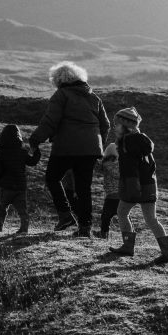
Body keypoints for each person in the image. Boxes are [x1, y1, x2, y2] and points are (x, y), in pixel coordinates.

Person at [29, 61, 111, 238]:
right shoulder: (94, 97)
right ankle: (84, 228)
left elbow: (50, 121)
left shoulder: (62, 95)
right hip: (90, 151)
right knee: (84, 189)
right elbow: (106, 124)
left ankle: (65, 215)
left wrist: (35, 139)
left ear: (58, 79)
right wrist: (98, 145)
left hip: (66, 147)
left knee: (52, 178)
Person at [109, 107, 168, 264]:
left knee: (122, 212)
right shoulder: (142, 140)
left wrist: (130, 188)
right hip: (149, 184)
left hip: (134, 185)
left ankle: (127, 246)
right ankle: (167, 254)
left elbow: (129, 168)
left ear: (126, 125)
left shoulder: (126, 142)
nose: (114, 127)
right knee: (151, 219)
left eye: (117, 124)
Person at [0, 124, 41, 233]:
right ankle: (24, 228)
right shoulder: (22, 152)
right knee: (22, 210)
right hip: (20, 187)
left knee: (2, 207)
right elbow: (33, 162)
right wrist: (37, 150)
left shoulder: (1, 153)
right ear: (18, 137)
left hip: (7, 186)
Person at [92, 142, 119, 239]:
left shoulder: (109, 164)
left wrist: (100, 161)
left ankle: (104, 234)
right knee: (123, 216)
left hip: (113, 195)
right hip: (117, 194)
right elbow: (99, 168)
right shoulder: (121, 163)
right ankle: (130, 233)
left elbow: (99, 169)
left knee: (106, 216)